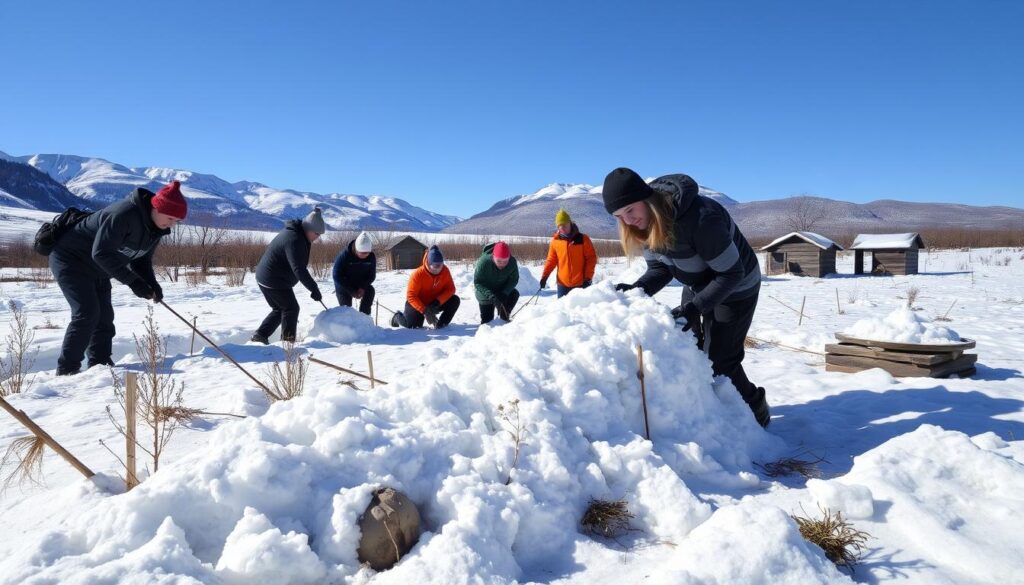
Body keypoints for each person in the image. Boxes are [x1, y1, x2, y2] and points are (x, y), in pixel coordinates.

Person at [602, 167, 770, 427]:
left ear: (646, 199)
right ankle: (708, 411)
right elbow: (660, 269)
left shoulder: (701, 218)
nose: (628, 220)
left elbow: (730, 273)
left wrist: (695, 307)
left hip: (737, 287)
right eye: (619, 216)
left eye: (630, 210)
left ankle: (755, 411)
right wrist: (636, 289)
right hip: (699, 284)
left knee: (720, 359)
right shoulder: (644, 225)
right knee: (688, 346)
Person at [49, 180, 187, 375]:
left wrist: (151, 283)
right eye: (170, 217)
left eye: (176, 221)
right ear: (157, 207)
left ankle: (101, 366)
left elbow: (140, 261)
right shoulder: (123, 215)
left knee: (105, 317)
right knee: (87, 313)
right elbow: (101, 253)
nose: (172, 224)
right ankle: (67, 371)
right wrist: (133, 282)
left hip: (99, 268)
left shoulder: (155, 229)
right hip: (71, 260)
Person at [251, 207, 325, 344]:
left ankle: (260, 335)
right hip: (273, 279)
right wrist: (313, 288)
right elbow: (299, 269)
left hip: (269, 277)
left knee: (280, 309)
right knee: (291, 308)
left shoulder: (298, 234)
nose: (317, 237)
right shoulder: (294, 239)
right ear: (308, 229)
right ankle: (287, 344)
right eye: (317, 234)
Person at [391, 245, 460, 329]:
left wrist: (437, 302)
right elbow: (411, 296)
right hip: (418, 303)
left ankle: (441, 324)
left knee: (455, 300)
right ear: (428, 263)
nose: (438, 269)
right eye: (435, 267)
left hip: (434, 303)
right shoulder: (418, 274)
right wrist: (424, 310)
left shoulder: (445, 271)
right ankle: (397, 317)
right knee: (413, 326)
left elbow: (451, 289)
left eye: (440, 265)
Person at [539, 208, 597, 298]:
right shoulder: (555, 241)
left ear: (570, 223)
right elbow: (551, 261)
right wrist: (544, 277)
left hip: (581, 283)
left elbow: (591, 258)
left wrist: (588, 278)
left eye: (565, 225)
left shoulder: (583, 239)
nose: (563, 228)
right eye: (560, 226)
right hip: (562, 284)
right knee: (563, 311)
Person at [473, 241, 519, 324]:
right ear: (493, 257)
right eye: (499, 261)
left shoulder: (512, 262)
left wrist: (504, 293)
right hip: (485, 292)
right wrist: (491, 296)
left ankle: (504, 319)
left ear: (509, 258)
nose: (502, 264)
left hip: (501, 289)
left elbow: (514, 279)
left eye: (505, 261)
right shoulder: (484, 262)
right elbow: (478, 282)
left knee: (514, 294)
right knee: (488, 321)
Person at [333, 231, 376, 315]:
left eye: (367, 253)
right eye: (363, 253)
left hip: (360, 283)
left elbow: (372, 276)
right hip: (344, 285)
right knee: (346, 311)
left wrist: (362, 287)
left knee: (370, 291)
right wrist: (351, 291)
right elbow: (336, 275)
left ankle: (364, 317)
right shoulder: (345, 255)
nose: (366, 255)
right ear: (356, 249)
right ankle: (348, 325)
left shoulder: (371, 257)